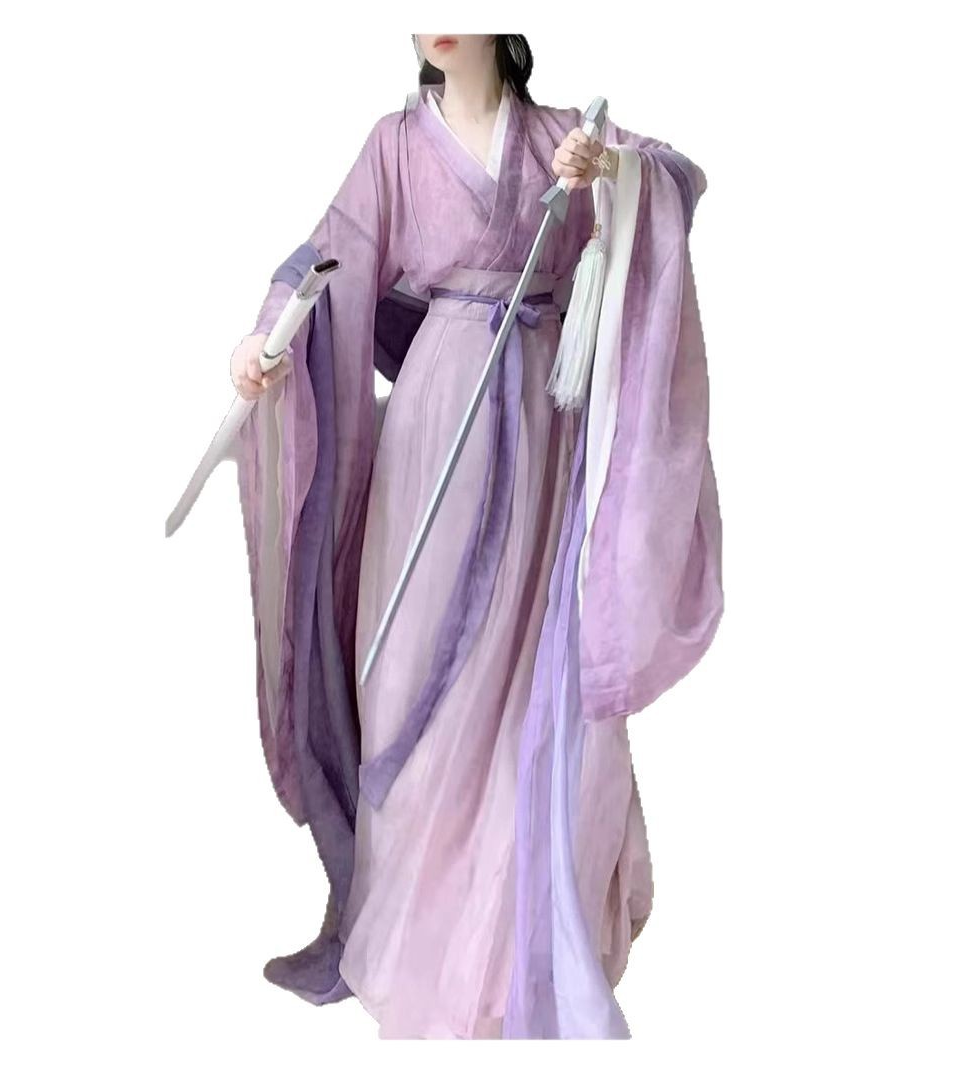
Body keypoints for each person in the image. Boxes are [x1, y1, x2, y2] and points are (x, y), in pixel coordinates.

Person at [228, 33, 723, 1039]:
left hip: (542, 419)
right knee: (405, 665)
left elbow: (676, 176)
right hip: (437, 417)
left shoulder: (558, 132)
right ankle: (407, 928)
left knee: (524, 668)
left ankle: (507, 929)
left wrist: (611, 173)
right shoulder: (394, 144)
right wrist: (268, 334)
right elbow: (325, 258)